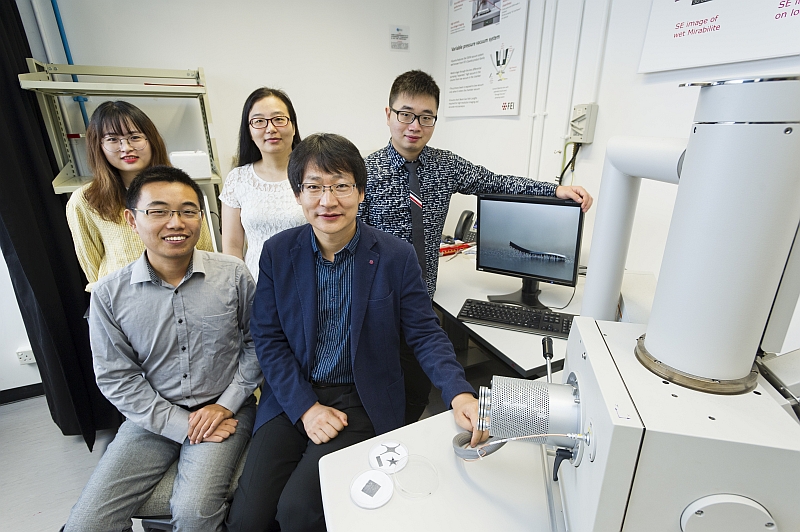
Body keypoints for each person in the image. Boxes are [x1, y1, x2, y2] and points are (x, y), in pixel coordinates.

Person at [225, 134, 483, 532]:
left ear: (361, 192)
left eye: (341, 186)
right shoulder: (279, 252)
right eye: (314, 187)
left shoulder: (395, 255)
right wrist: (306, 408)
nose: (327, 201)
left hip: (360, 398)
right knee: (247, 518)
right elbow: (269, 338)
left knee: (298, 512)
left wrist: (458, 391)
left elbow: (425, 333)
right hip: (293, 394)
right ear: (298, 195)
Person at [360, 70, 594, 422]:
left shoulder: (445, 166)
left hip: (422, 302)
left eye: (426, 117)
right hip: (377, 304)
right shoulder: (366, 172)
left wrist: (553, 190)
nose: (414, 125)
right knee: (378, 396)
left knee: (417, 393)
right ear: (388, 114)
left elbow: (495, 183)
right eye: (405, 114)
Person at [63, 166, 261, 532]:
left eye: (188, 211)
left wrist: (225, 403)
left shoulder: (233, 274)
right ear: (132, 220)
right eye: (158, 211)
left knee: (193, 513)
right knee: (87, 523)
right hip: (149, 420)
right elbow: (118, 379)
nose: (176, 222)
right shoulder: (109, 295)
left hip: (223, 411)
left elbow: (256, 345)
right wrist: (180, 424)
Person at [66, 100, 214, 292]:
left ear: (151, 140)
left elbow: (204, 251)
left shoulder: (181, 189)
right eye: (112, 139)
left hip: (186, 293)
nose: (126, 147)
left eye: (135, 137)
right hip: (125, 303)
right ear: (98, 145)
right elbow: (93, 270)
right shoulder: (84, 201)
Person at [219, 88, 307, 281]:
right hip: (257, 284)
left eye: (279, 119)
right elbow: (232, 247)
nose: (270, 129)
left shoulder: (313, 174)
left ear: (293, 125)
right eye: (259, 121)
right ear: (249, 131)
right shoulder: (238, 179)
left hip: (308, 280)